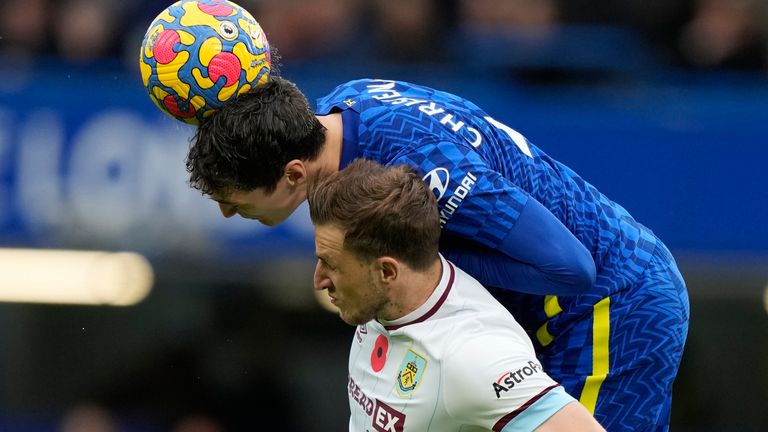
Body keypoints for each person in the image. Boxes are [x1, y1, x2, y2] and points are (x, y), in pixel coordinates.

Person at [186, 76, 690, 431]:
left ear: (293, 173)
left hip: (616, 300)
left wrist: (424, 258)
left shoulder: (425, 167)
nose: (230, 215)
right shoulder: (342, 103)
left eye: (233, 201)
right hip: (558, 309)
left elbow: (573, 267)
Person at [308, 158, 605, 431]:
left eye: (332, 265)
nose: (319, 280)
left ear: (387, 272)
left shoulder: (472, 356)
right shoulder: (379, 298)